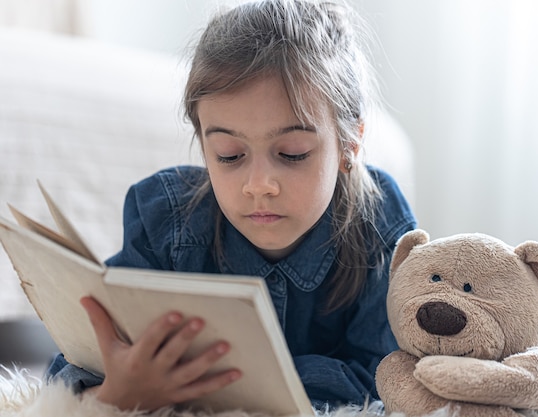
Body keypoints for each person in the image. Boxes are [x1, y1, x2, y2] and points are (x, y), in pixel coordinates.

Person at [45, 0, 417, 412]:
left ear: (350, 144)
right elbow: (75, 368)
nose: (259, 185)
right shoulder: (166, 220)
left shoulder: (378, 224)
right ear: (203, 143)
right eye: (228, 155)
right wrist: (117, 392)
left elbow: (388, 378)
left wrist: (222, 382)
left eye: (292, 153)